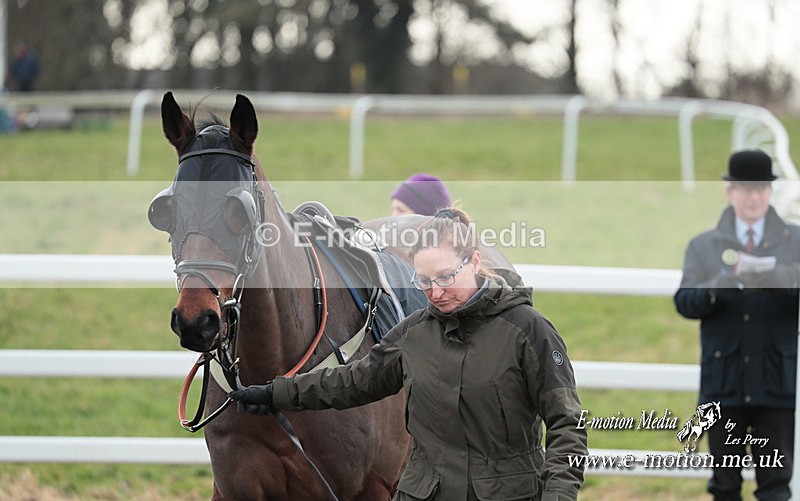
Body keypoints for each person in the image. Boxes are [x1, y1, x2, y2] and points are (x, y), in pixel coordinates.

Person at [230, 208, 587, 500]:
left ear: (475, 262)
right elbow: (352, 382)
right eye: (424, 282)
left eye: (446, 277)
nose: (435, 292)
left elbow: (567, 422)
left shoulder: (529, 330)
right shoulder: (414, 332)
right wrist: (276, 392)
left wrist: (559, 494)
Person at [674, 149, 800, 501]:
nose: (754, 196)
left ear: (770, 191)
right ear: (730, 192)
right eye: (746, 188)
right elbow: (683, 302)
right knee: (724, 486)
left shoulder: (796, 241)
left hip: (776, 381)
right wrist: (717, 289)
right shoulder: (703, 246)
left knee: (775, 485)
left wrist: (779, 276)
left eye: (761, 188)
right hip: (723, 382)